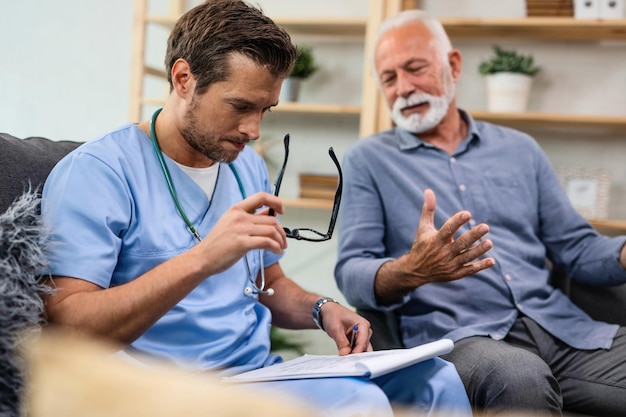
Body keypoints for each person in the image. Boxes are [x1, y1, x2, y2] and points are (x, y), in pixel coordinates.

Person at [39, 2, 472, 416]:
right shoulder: (97, 173)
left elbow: (268, 281)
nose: (253, 129)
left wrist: (321, 309)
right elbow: (69, 328)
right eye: (240, 106)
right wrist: (204, 258)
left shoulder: (245, 164)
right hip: (163, 390)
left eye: (265, 109)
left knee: (437, 381)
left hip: (257, 376)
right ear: (184, 78)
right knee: (360, 404)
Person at [334, 8, 626, 417]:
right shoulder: (369, 160)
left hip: (563, 329)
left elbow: (575, 247)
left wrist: (622, 253)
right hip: (463, 340)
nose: (403, 88)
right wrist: (412, 269)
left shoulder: (520, 149)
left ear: (453, 64)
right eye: (389, 78)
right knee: (519, 376)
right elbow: (351, 272)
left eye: (415, 69)